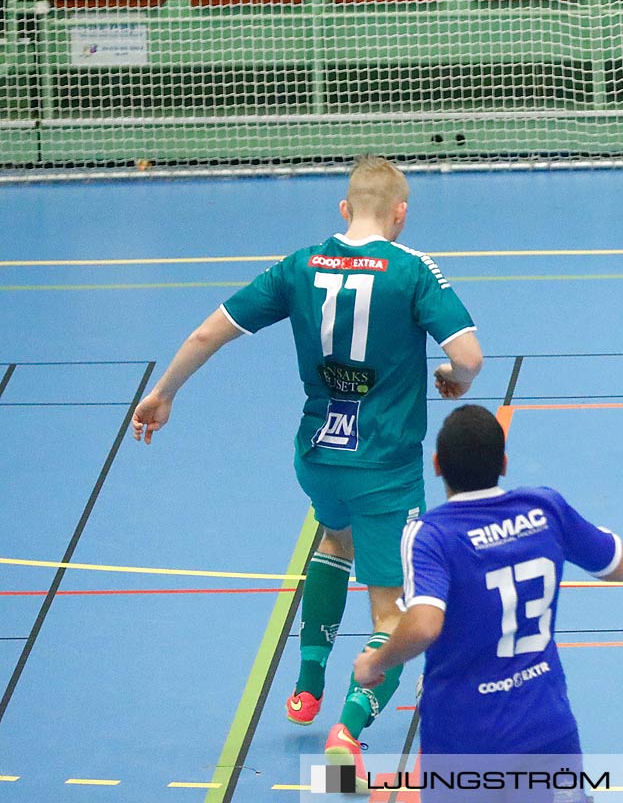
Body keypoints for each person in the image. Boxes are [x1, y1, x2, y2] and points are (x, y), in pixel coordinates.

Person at [129, 155, 483, 767]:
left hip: (318, 453)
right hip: (385, 466)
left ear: (344, 210)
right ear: (401, 214)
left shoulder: (299, 265)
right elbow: (470, 356)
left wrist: (164, 393)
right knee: (389, 609)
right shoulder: (413, 270)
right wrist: (453, 377)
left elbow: (209, 333)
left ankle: (307, 680)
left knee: (333, 541)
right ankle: (347, 731)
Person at [351, 404, 623, 799]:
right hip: (546, 726)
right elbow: (621, 567)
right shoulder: (545, 508)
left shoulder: (430, 535)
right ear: (503, 463)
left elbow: (425, 623)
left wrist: (374, 663)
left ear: (436, 465)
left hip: (463, 739)